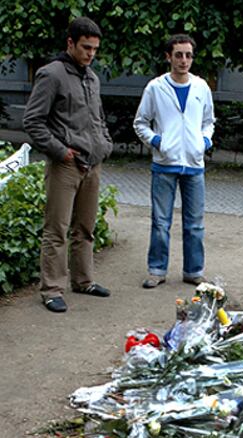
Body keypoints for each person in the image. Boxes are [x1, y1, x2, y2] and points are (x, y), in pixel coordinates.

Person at [23, 17, 113, 313]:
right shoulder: (52, 75)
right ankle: (51, 289)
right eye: (86, 48)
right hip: (65, 165)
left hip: (92, 163)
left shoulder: (92, 77)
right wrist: (60, 152)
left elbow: (97, 117)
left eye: (95, 49)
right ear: (70, 43)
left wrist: (105, 144)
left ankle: (83, 281)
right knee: (56, 229)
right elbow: (33, 122)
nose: (91, 54)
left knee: (85, 228)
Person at [133, 33, 215, 289]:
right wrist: (158, 142)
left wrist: (205, 142)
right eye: (178, 54)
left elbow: (208, 121)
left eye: (188, 55)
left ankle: (193, 271)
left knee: (195, 224)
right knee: (160, 221)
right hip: (164, 164)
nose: (184, 60)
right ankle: (157, 270)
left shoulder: (202, 87)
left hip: (193, 164)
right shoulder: (155, 88)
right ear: (168, 56)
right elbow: (140, 123)